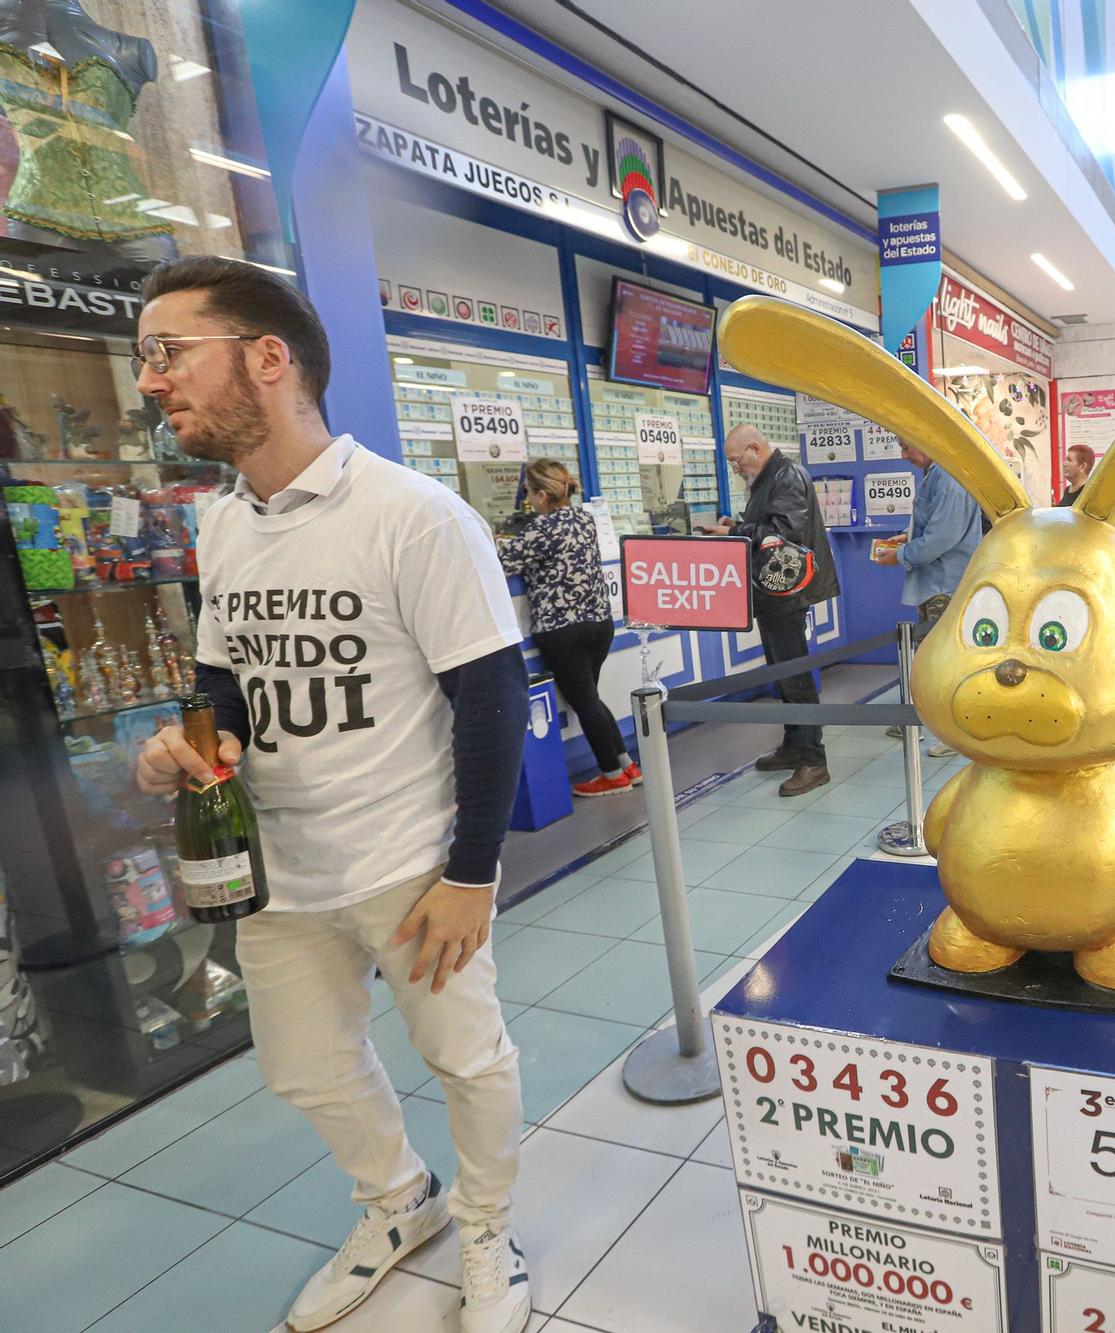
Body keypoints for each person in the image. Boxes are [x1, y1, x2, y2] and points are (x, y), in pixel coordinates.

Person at [128, 258, 534, 1333]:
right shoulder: (222, 526)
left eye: (169, 353)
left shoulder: (415, 516)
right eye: (144, 359)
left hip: (409, 866)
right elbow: (227, 684)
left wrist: (469, 874)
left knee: (466, 1056)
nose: (151, 382)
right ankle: (401, 1201)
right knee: (305, 1067)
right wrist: (189, 749)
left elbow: (492, 701)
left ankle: (491, 1229)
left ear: (267, 358)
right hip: (279, 869)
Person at [697, 426, 839, 796]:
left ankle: (813, 760)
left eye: (735, 459)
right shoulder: (770, 477)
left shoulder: (785, 476)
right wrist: (737, 527)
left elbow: (783, 534)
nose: (734, 467)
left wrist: (734, 533)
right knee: (783, 674)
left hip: (788, 590)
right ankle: (795, 746)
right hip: (775, 591)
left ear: (755, 448)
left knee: (795, 676)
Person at [497, 459, 639, 798]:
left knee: (585, 700)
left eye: (529, 493)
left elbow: (501, 561)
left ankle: (611, 775)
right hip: (599, 624)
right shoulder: (584, 518)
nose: (528, 499)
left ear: (543, 496)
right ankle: (626, 763)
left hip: (563, 629)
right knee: (590, 696)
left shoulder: (540, 529)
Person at [876, 441, 980, 756]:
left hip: (945, 586)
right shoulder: (936, 474)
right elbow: (936, 525)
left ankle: (956, 733)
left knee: (947, 662)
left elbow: (942, 537)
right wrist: (907, 538)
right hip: (936, 583)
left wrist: (902, 555)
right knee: (933, 658)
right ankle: (925, 720)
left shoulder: (948, 479)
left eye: (907, 447)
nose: (903, 455)